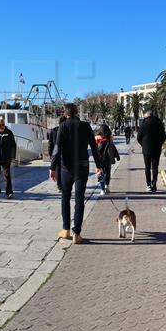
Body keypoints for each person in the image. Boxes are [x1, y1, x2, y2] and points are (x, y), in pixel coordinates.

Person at [50, 103, 102, 244]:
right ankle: (77, 234)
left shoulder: (63, 126)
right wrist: (99, 166)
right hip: (82, 166)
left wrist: (52, 167)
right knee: (79, 199)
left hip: (66, 167)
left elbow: (57, 148)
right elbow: (94, 147)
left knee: (65, 197)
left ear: (65, 114)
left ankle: (66, 229)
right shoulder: (85, 126)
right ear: (77, 113)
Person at [137, 110, 166, 192]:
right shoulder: (159, 123)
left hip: (146, 149)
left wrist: (143, 144)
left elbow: (139, 137)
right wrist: (159, 143)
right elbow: (164, 136)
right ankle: (154, 183)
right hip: (157, 148)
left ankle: (148, 184)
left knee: (147, 167)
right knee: (155, 166)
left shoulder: (143, 124)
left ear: (146, 116)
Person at [96, 124, 120, 195]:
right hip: (108, 159)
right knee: (108, 173)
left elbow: (96, 149)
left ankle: (102, 189)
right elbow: (113, 148)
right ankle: (107, 186)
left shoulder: (97, 138)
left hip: (100, 159)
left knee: (100, 173)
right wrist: (117, 156)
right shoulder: (110, 138)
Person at [47, 116, 66, 190]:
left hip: (56, 153)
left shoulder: (53, 131)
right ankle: (63, 183)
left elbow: (50, 144)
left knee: (58, 169)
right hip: (65, 153)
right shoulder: (66, 130)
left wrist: (50, 154)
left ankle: (59, 185)